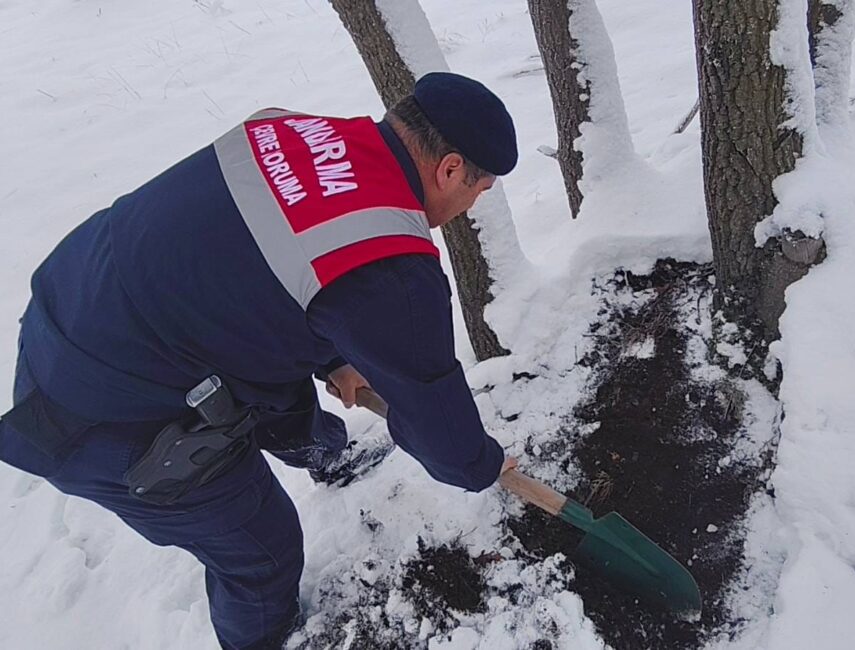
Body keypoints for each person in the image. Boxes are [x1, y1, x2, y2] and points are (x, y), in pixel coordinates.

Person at [0, 72, 519, 649]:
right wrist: (478, 464)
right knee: (261, 552)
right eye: (479, 190)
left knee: (280, 391)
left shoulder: (289, 129)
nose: (473, 205)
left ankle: (321, 453)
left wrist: (336, 357)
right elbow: (440, 426)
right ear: (449, 169)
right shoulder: (393, 266)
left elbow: (261, 269)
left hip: (73, 298)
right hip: (105, 414)